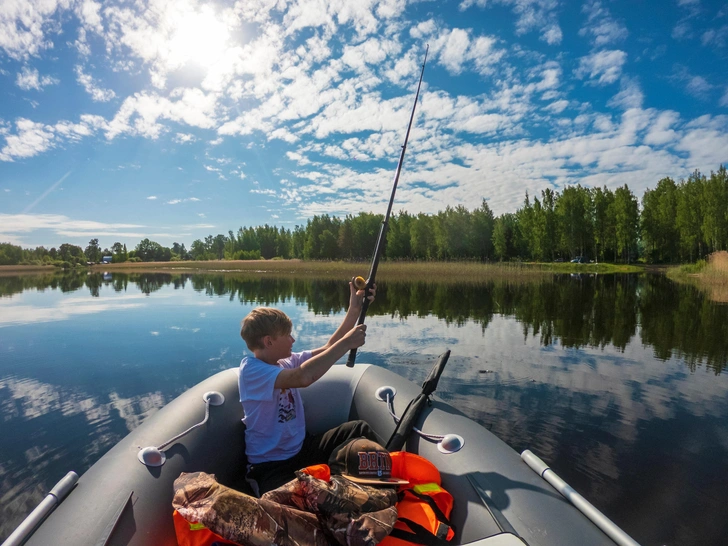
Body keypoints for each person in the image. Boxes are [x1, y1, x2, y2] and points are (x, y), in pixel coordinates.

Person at [239, 278, 381, 496]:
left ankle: (381, 477)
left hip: (302, 449)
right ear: (268, 342)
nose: (293, 340)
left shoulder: (284, 361)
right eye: (287, 336)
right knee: (287, 504)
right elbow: (303, 377)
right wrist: (347, 344)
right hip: (271, 466)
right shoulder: (252, 371)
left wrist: (354, 309)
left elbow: (328, 348)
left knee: (358, 430)